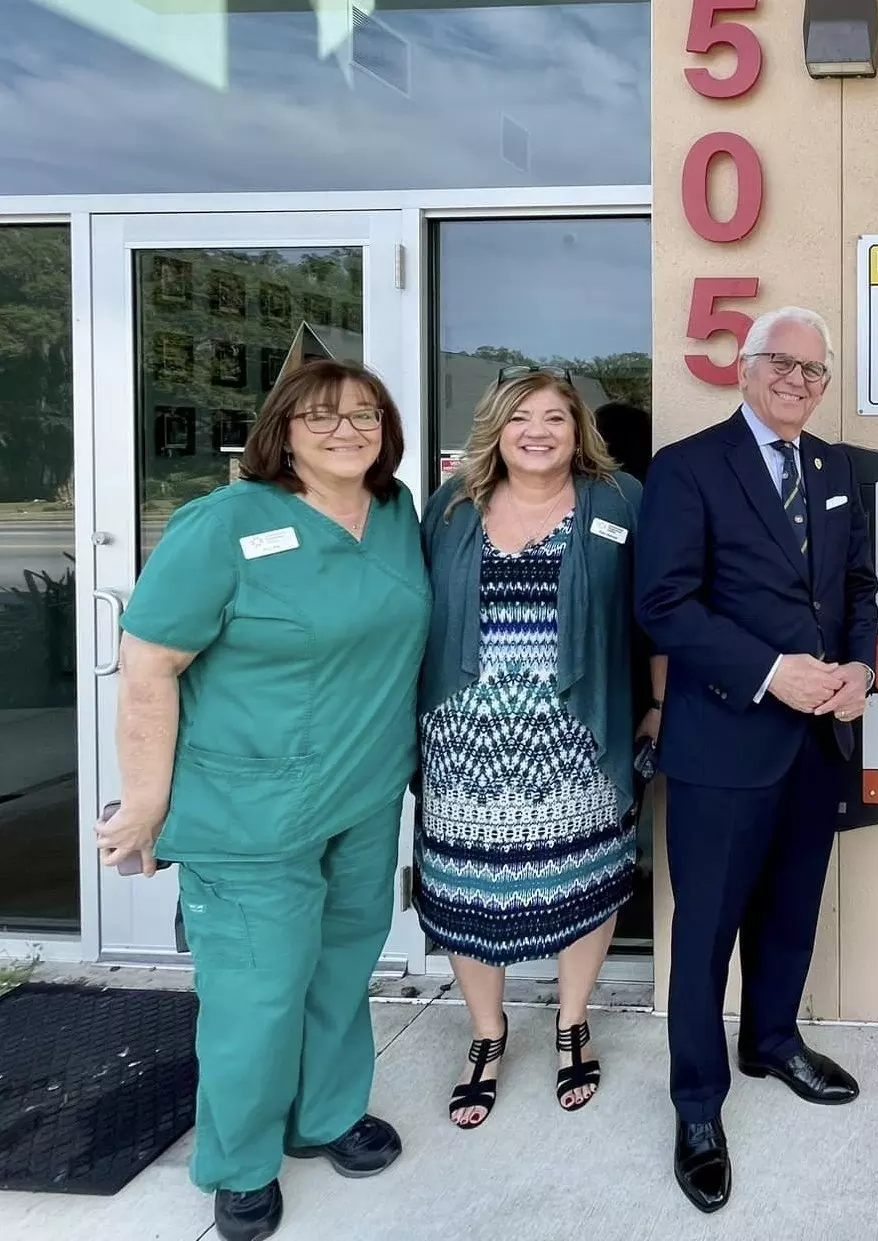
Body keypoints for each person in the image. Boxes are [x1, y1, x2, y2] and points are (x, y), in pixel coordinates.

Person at [97, 359, 429, 1241]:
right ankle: (241, 1162)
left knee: (339, 965)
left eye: (364, 414)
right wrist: (144, 803)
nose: (345, 429)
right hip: (248, 808)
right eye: (322, 416)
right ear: (281, 429)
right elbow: (149, 668)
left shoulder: (396, 514)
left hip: (361, 795)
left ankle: (324, 1114)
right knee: (257, 991)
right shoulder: (223, 524)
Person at [634, 306, 878, 1214]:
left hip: (819, 743)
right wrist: (773, 672)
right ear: (744, 366)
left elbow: (857, 586)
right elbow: (663, 602)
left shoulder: (836, 467)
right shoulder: (689, 468)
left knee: (789, 913)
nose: (799, 381)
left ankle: (772, 1039)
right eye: (783, 363)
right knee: (703, 936)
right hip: (724, 742)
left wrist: (861, 667)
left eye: (814, 371)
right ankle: (697, 1103)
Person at [417, 366, 659, 1128]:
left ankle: (572, 1021)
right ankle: (486, 1035)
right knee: (465, 892)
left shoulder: (620, 498)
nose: (539, 431)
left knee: (586, 881)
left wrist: (656, 703)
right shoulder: (451, 508)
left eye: (556, 417)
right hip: (465, 735)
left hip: (577, 734)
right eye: (523, 417)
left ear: (576, 429)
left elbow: (655, 610)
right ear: (497, 427)